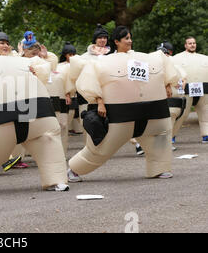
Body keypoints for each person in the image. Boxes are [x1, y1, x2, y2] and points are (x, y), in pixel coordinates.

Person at [0, 30, 69, 192]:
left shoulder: (23, 62)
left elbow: (47, 64)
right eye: (1, 42)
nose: (6, 46)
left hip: (30, 114)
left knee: (48, 140)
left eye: (7, 43)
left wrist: (37, 70)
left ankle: (55, 180)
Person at [67, 26, 179, 183]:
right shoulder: (102, 62)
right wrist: (99, 101)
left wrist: (168, 83)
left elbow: (164, 64)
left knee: (159, 142)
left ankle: (159, 168)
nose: (130, 40)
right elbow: (88, 79)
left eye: (130, 37)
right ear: (117, 41)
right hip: (120, 116)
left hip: (152, 113)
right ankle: (74, 169)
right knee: (101, 149)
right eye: (126, 38)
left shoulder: (145, 58)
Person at [170, 37, 208, 144]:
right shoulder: (176, 58)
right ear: (185, 45)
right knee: (181, 114)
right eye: (190, 43)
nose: (192, 45)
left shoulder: (204, 58)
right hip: (185, 91)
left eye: (194, 43)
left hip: (204, 90)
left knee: (206, 112)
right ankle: (171, 135)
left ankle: (206, 134)